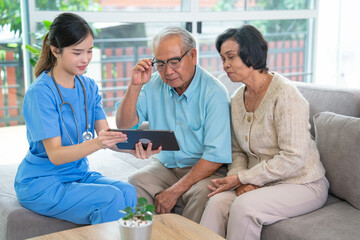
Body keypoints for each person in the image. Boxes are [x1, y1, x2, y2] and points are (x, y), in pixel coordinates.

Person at [200, 25, 329, 239]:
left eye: (231, 57)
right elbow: (237, 151)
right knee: (216, 201)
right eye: (222, 59)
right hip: (262, 181)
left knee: (244, 207)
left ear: (251, 54)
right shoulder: (237, 100)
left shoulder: (285, 94)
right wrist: (238, 180)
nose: (225, 65)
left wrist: (246, 178)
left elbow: (294, 157)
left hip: (303, 183)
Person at [14, 13, 138, 225]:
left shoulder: (88, 86)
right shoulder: (41, 93)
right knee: (112, 198)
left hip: (76, 174)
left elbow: (106, 136)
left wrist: (135, 148)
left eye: (89, 51)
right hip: (41, 183)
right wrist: (98, 143)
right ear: (55, 50)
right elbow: (55, 155)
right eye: (77, 52)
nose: (85, 59)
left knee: (127, 191)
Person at [115, 26, 232, 223]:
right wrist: (135, 86)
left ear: (193, 56)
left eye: (174, 62)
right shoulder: (152, 84)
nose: (168, 71)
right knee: (136, 182)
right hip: (167, 167)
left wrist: (173, 192)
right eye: (160, 64)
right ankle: (146, 235)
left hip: (205, 170)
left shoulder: (215, 94)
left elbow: (214, 158)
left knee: (204, 194)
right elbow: (124, 125)